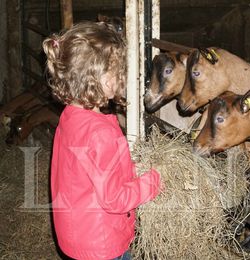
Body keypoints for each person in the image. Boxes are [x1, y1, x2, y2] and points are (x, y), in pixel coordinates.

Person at [42, 21, 161, 260]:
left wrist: (134, 170)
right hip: (102, 244)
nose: (121, 79)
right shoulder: (100, 133)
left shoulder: (70, 116)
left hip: (77, 234)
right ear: (102, 78)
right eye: (119, 72)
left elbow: (92, 172)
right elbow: (115, 199)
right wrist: (154, 182)